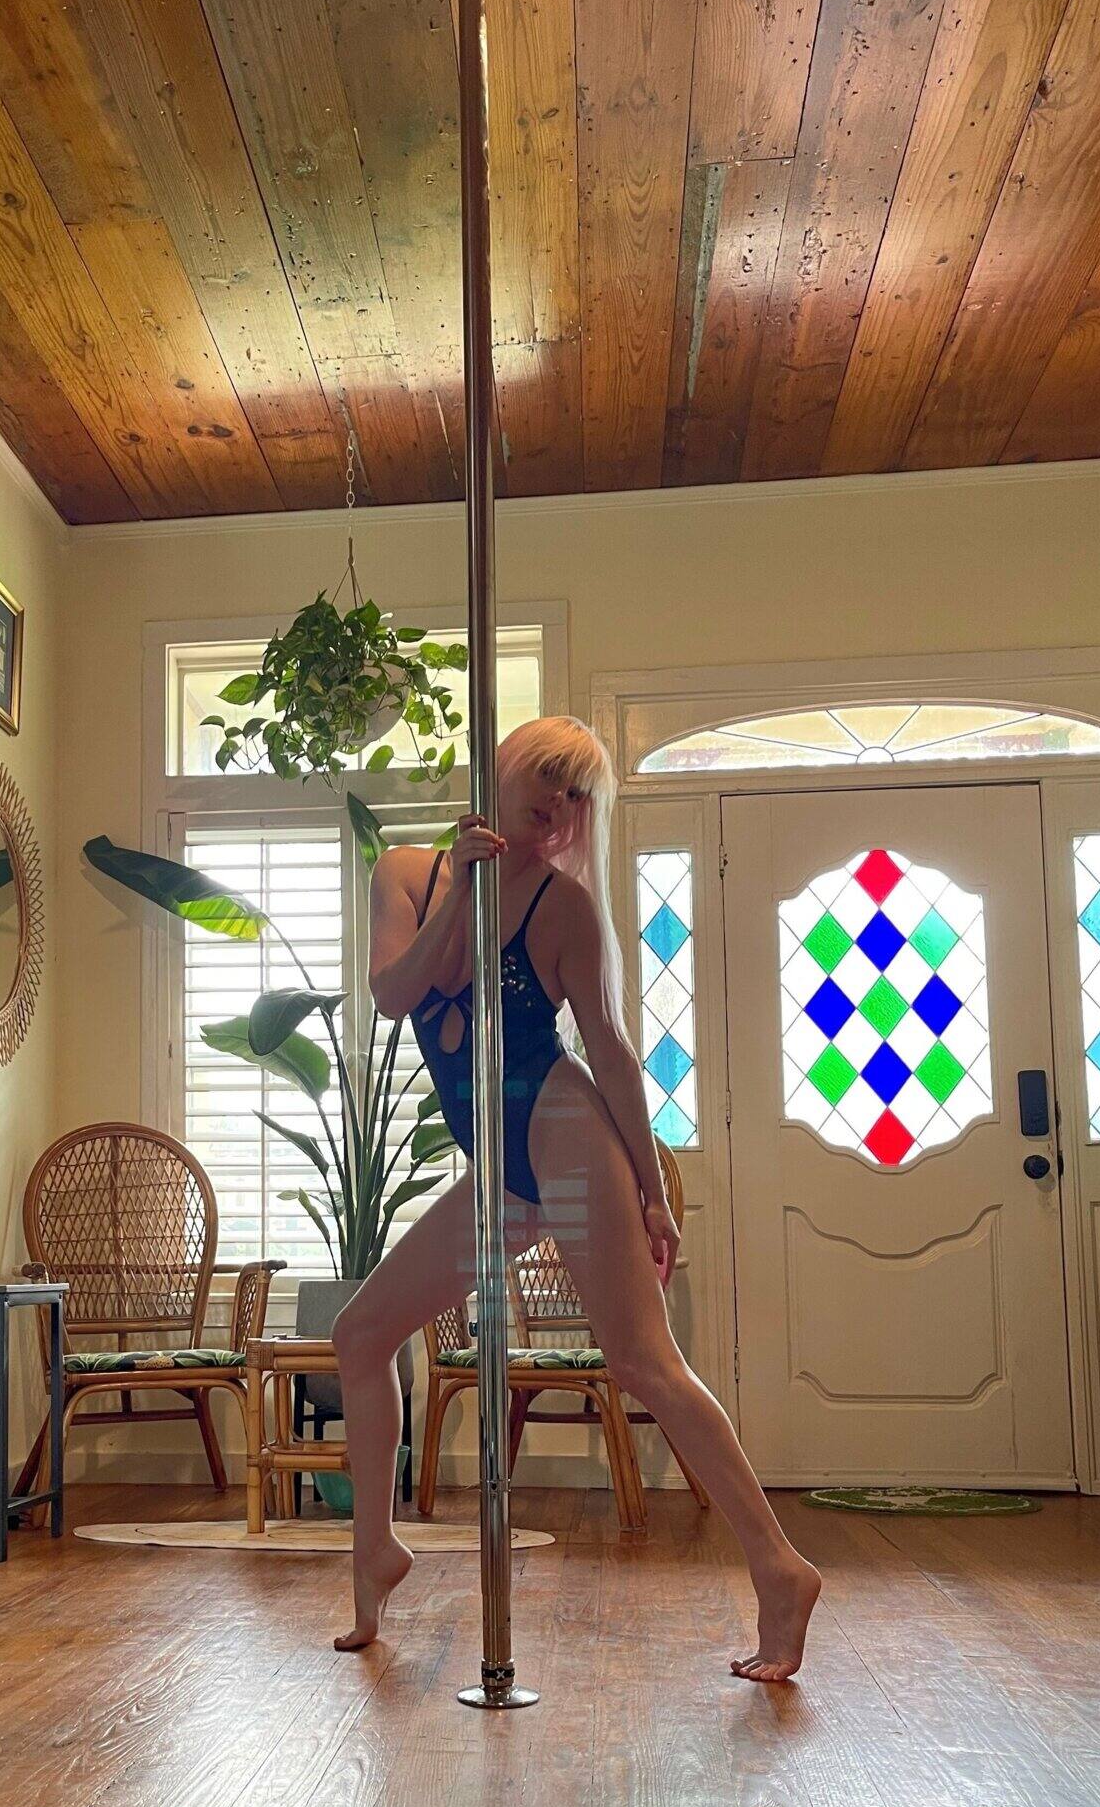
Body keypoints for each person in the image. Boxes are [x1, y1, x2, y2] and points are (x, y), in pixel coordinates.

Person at [331, 714, 821, 1681]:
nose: (556, 805)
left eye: (575, 794)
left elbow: (612, 1050)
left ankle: (779, 1568)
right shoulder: (409, 874)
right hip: (499, 1169)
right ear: (503, 770)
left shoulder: (563, 909)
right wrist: (461, 891)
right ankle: (374, 1549)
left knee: (642, 1361)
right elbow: (392, 994)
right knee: (361, 1333)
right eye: (544, 779)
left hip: (562, 1133)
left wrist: (651, 1192)